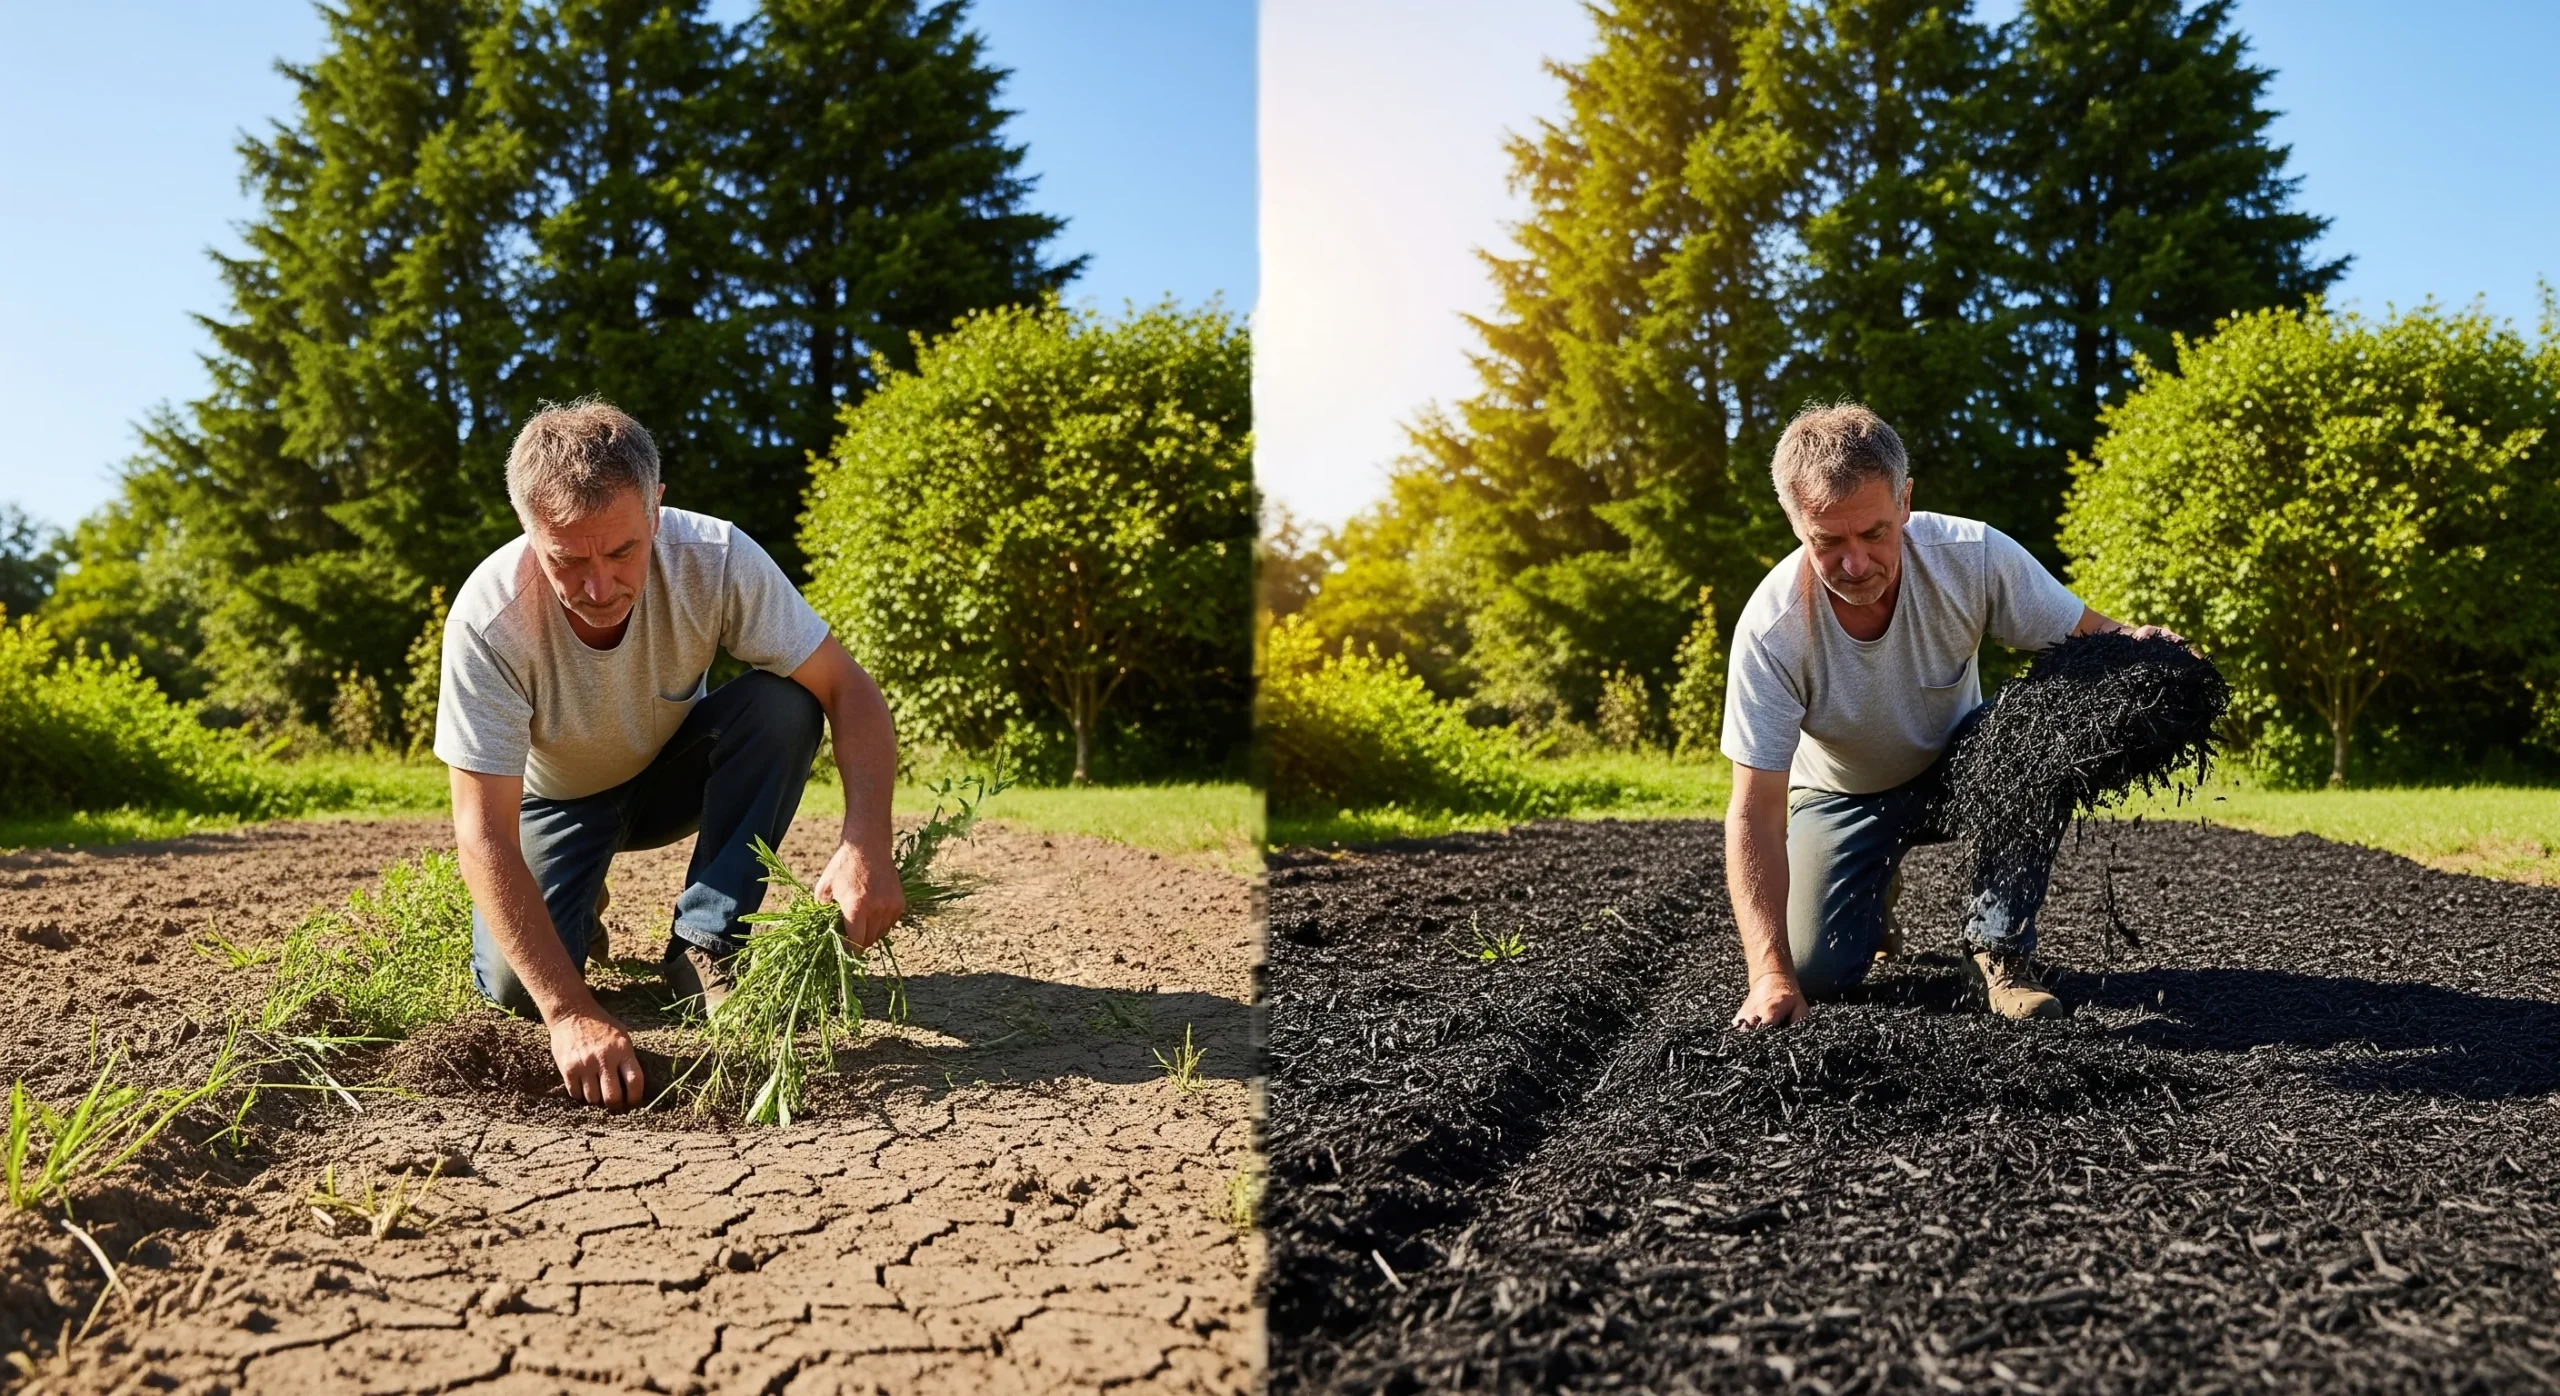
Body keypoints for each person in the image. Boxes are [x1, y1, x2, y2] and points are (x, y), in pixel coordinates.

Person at [435, 397, 906, 1108]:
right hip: (557, 801)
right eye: (567, 559)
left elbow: (849, 690)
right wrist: (568, 1013)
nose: (599, 587)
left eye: (623, 550)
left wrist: (867, 838)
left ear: (656, 509)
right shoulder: (488, 621)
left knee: (786, 703)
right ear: (529, 530)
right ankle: (578, 895)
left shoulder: (714, 557)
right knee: (514, 992)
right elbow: (482, 831)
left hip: (672, 773)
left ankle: (706, 943)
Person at [1722, 403, 2178, 1030]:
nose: (1856, 564)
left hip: (1959, 769)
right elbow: (1756, 809)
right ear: (1795, 522)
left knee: (2030, 739)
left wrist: (2154, 650)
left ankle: (1999, 951)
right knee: (1817, 974)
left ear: (1905, 501)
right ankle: (1869, 884)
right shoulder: (1772, 631)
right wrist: (1768, 973)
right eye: (1829, 541)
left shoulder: (1973, 556)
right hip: (1840, 794)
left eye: (1875, 532)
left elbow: (2092, 635)